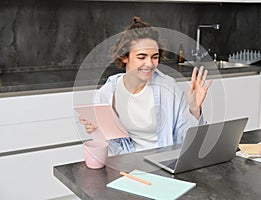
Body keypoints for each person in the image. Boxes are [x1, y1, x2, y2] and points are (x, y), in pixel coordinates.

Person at [80, 17, 212, 155]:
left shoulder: (168, 87)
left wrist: (194, 110)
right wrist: (97, 130)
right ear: (125, 57)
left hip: (164, 163)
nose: (149, 64)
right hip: (127, 164)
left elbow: (185, 140)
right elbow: (110, 146)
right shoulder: (107, 93)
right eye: (142, 57)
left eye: (154, 57)